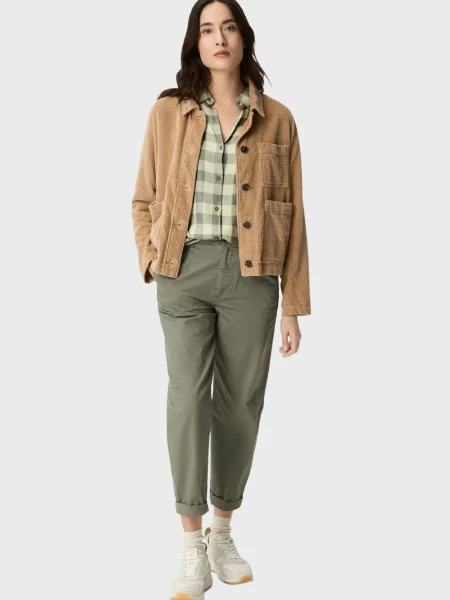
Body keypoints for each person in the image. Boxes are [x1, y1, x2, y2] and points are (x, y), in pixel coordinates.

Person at [131, 1, 311, 598]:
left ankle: (223, 531)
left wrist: (292, 305)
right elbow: (143, 198)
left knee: (240, 405)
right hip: (182, 269)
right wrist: (151, 258)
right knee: (187, 399)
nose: (219, 38)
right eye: (207, 29)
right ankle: (191, 546)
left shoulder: (277, 119)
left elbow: (295, 215)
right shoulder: (169, 112)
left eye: (228, 27)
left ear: (243, 38)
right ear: (195, 43)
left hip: (253, 275)